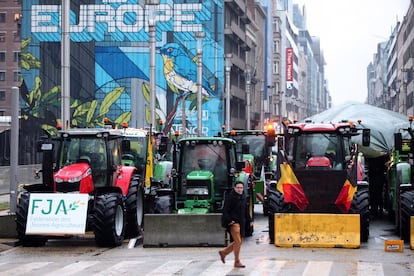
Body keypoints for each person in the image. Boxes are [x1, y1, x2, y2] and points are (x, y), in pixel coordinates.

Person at [219, 182, 252, 268]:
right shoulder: (230, 198)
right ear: (234, 188)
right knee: (238, 241)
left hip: (241, 222)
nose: (240, 189)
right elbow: (225, 210)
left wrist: (249, 220)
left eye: (241, 188)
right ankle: (237, 261)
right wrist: (229, 221)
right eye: (238, 188)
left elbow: (246, 210)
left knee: (238, 242)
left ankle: (223, 253)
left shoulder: (243, 197)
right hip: (233, 222)